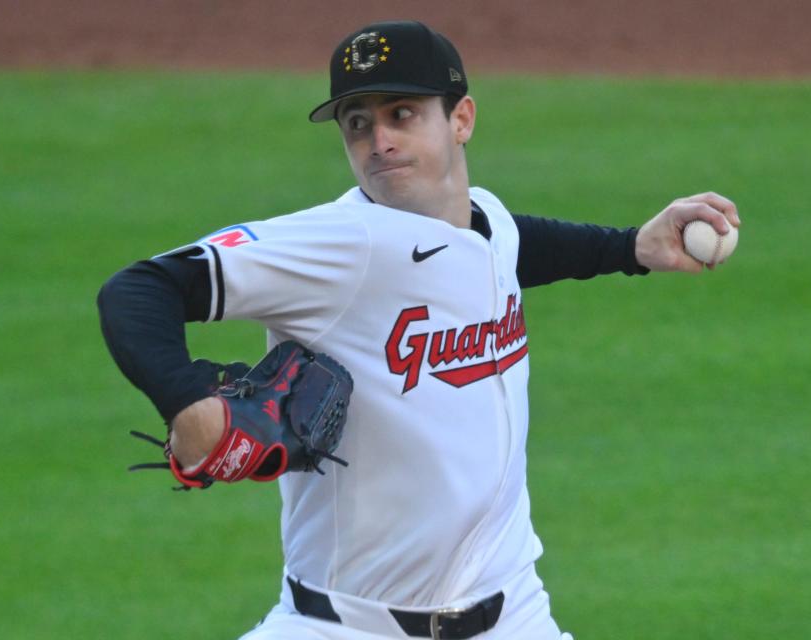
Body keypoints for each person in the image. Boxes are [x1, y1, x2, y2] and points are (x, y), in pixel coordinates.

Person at [98, 20, 740, 640]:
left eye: (401, 113)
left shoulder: (485, 222)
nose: (378, 139)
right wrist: (190, 402)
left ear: (461, 119)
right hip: (342, 626)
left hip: (515, 615)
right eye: (358, 124)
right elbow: (138, 289)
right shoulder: (341, 244)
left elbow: (507, 249)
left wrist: (631, 248)